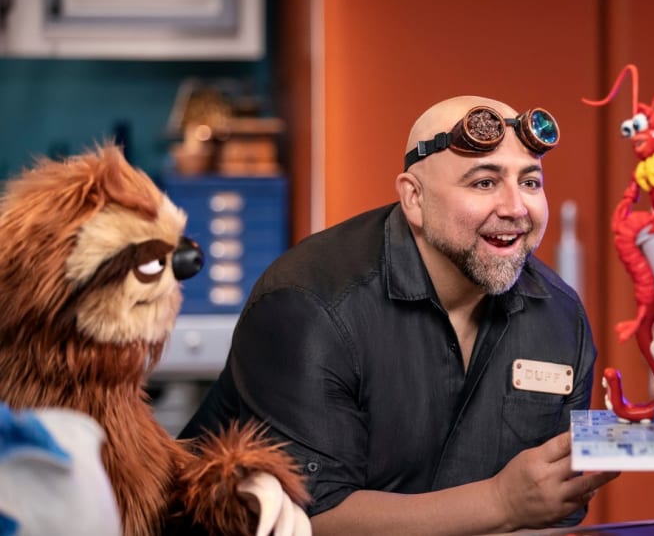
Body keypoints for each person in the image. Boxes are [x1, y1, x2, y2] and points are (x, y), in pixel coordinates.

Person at [179, 95, 618, 535]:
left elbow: (551, 513)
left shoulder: (559, 316)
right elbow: (311, 519)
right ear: (414, 198)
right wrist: (502, 501)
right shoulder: (310, 305)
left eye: (530, 182)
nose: (516, 208)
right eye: (484, 183)